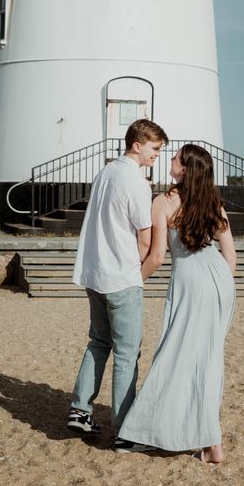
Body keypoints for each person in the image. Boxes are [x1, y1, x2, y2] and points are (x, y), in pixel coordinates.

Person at [117, 144, 237, 462]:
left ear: (184, 169)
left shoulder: (164, 202)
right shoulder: (214, 204)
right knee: (207, 360)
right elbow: (231, 256)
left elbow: (156, 256)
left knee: (175, 355)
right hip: (220, 281)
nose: (170, 160)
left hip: (191, 282)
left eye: (175, 158)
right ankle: (212, 445)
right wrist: (223, 290)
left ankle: (154, 431)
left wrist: (132, 282)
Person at [67, 118, 169, 441]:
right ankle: (124, 427)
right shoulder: (137, 183)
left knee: (98, 342)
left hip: (94, 274)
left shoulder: (104, 173)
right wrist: (139, 274)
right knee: (127, 353)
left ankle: (80, 409)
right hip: (122, 277)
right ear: (137, 145)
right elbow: (143, 239)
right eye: (154, 149)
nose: (157, 155)